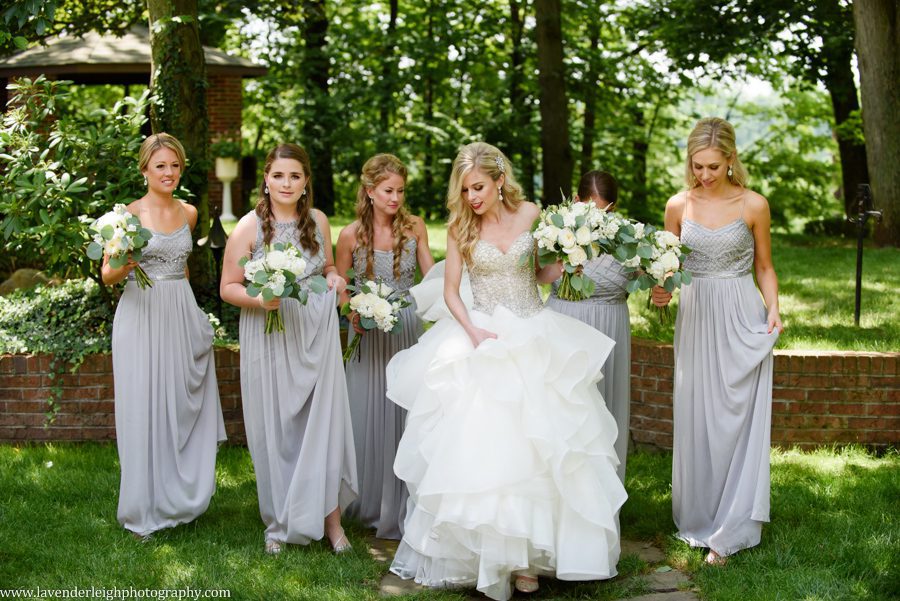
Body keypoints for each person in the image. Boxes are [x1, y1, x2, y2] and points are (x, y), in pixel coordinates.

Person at [385, 142, 627, 600]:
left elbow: (539, 273)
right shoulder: (460, 228)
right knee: (490, 449)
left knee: (544, 444)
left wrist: (569, 260)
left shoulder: (532, 214)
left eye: (478, 187)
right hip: (485, 335)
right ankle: (491, 554)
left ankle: (531, 561)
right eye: (465, 189)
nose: (472, 197)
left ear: (499, 181)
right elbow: (453, 291)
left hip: (535, 331)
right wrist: (472, 331)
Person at [652, 117, 782, 565]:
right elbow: (665, 267)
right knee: (699, 413)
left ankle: (733, 525)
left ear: (730, 159)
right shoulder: (677, 205)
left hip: (740, 310)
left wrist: (774, 307)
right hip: (696, 314)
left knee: (736, 416)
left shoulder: (754, 205)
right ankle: (701, 514)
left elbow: (764, 266)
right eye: (696, 166)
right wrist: (661, 291)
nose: (703, 175)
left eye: (712, 166)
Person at [219, 143, 357, 555]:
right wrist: (261, 301)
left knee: (324, 425)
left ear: (305, 181)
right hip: (270, 335)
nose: (286, 183)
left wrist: (336, 280)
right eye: (279, 175)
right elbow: (228, 288)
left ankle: (332, 523)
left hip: (317, 334)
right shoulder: (248, 227)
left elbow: (328, 266)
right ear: (266, 178)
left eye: (295, 176)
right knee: (276, 429)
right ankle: (279, 522)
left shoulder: (318, 220)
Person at [103, 133, 226, 540]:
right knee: (143, 407)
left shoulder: (189, 213)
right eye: (161, 166)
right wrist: (128, 261)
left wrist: (194, 318)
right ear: (145, 170)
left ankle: (178, 498)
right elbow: (108, 274)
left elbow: (185, 270)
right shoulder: (126, 215)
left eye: (175, 165)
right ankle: (142, 508)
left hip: (179, 313)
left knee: (177, 406)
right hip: (140, 314)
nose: (169, 172)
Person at [335, 154, 434, 540]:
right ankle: (368, 501)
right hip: (365, 333)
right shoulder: (349, 235)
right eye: (388, 191)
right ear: (370, 191)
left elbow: (430, 278)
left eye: (400, 191)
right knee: (365, 411)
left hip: (405, 327)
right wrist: (352, 314)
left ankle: (403, 503)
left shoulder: (414, 228)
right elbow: (341, 288)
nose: (395, 198)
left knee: (401, 412)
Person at [545, 170, 632, 481]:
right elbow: (535, 276)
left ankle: (605, 491)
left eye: (606, 211)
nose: (598, 218)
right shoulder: (555, 233)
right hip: (565, 324)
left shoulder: (628, 239)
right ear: (576, 200)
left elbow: (645, 280)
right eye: (591, 209)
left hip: (610, 327)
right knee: (566, 410)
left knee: (606, 408)